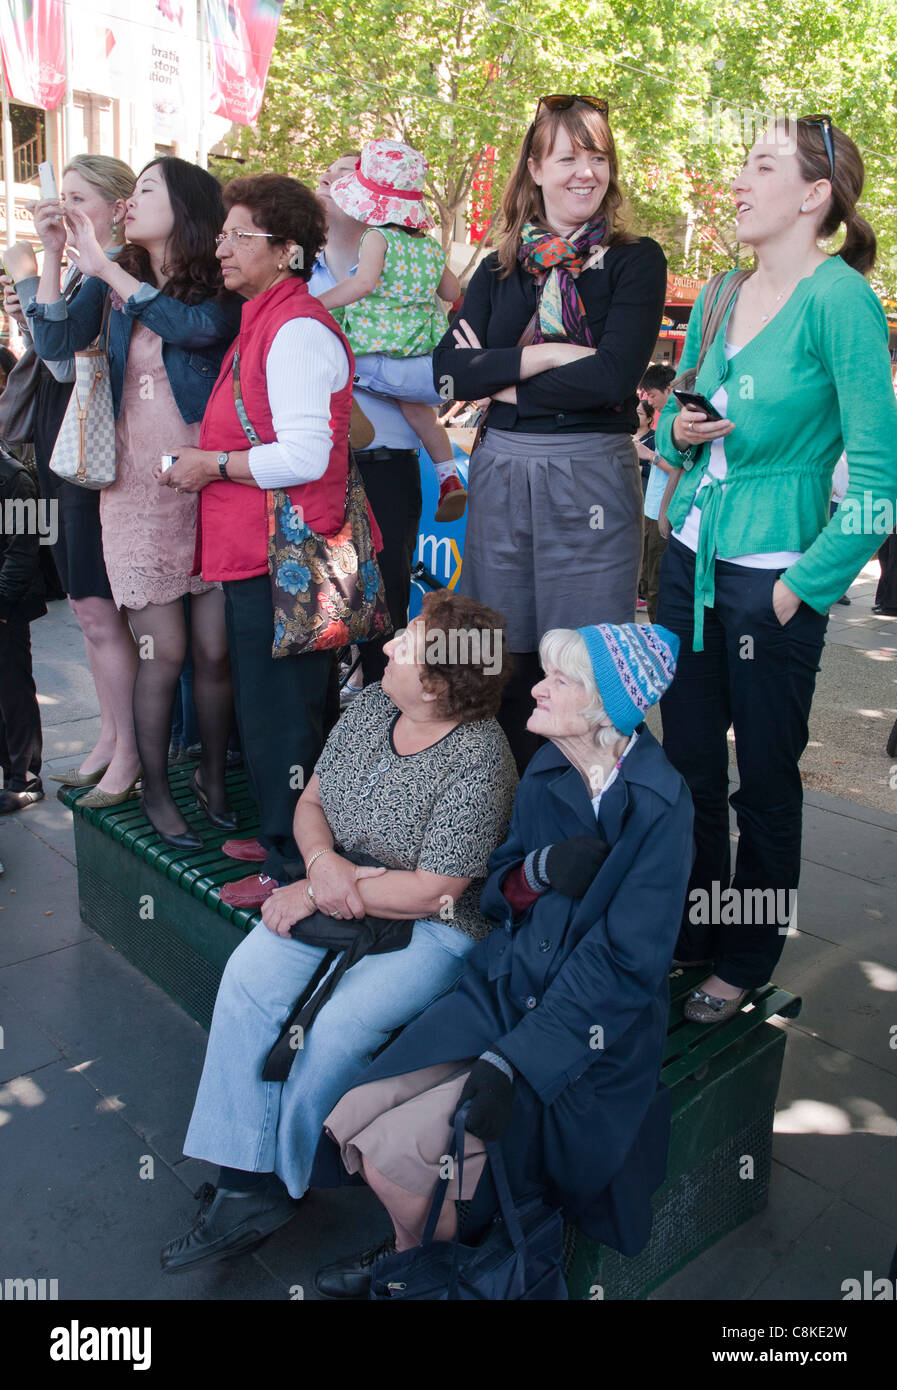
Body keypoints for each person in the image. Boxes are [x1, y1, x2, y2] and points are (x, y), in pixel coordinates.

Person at [311, 621, 692, 1299]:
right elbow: (498, 889)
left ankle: (414, 1269)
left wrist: (519, 1060)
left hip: (585, 1038)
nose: (535, 689)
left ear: (604, 708)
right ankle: (422, 1260)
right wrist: (540, 870)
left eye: (559, 681)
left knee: (394, 1156)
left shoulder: (659, 808)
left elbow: (626, 965)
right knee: (354, 1114)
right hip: (501, 990)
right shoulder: (548, 767)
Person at [159, 591, 518, 1273]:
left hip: (432, 927)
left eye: (406, 645)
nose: (386, 647)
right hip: (335, 886)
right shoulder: (375, 707)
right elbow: (312, 801)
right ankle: (245, 1171)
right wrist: (322, 865)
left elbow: (433, 890)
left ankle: (285, 1178)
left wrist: (327, 884)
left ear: (441, 684)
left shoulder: (480, 760)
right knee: (249, 979)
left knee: (339, 1028)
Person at [653, 116, 897, 1021]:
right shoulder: (722, 290)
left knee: (763, 776)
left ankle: (745, 956)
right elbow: (687, 415)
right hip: (691, 557)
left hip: (772, 580)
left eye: (759, 165)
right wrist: (680, 430)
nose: (737, 181)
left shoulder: (840, 301)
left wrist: (801, 588)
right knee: (684, 765)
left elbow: (879, 482)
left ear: (812, 196)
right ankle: (690, 934)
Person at [433, 95, 667, 772]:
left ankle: (574, 829)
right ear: (535, 167)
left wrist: (498, 378)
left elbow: (611, 380)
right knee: (494, 656)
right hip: (503, 471)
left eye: (597, 157)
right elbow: (447, 377)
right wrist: (541, 358)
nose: (584, 173)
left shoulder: (634, 261)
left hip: (590, 476)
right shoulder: (499, 268)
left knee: (583, 664)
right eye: (568, 157)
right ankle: (494, 825)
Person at [162, 172, 376, 909]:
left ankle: (292, 865)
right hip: (270, 553)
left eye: (236, 236)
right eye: (222, 234)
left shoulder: (295, 330)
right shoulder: (271, 318)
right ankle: (288, 835)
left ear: (286, 251)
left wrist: (210, 465)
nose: (219, 247)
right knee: (279, 710)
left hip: (288, 560)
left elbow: (306, 456)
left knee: (282, 717)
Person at [28, 159, 241, 846]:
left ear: (184, 206)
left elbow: (198, 330)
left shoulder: (216, 275)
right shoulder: (115, 271)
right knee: (166, 650)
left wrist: (111, 273)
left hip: (211, 480)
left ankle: (211, 776)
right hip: (137, 491)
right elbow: (56, 343)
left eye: (147, 190)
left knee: (214, 651)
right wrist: (57, 256)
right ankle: (152, 789)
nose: (131, 204)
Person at [3, 156, 141, 796]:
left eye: (78, 197)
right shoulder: (93, 269)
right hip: (70, 446)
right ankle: (112, 737)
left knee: (98, 607)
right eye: (62, 197)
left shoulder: (119, 272)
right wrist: (47, 266)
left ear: (118, 206)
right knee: (89, 610)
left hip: (94, 449)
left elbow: (58, 360)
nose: (64, 208)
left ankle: (128, 747)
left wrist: (38, 275)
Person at [309, 154, 430, 690]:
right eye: (327, 174)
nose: (330, 182)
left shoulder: (411, 262)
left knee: (388, 600)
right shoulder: (290, 273)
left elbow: (436, 379)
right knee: (320, 607)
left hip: (388, 461)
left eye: (346, 174)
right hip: (315, 464)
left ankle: (387, 720)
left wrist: (366, 368)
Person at [317, 139, 467, 523]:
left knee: (332, 358)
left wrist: (316, 304)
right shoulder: (431, 248)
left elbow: (362, 285)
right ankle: (448, 474)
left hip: (372, 336)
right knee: (420, 412)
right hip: (418, 344)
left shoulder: (376, 238)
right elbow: (451, 293)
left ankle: (353, 417)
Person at [0, 445, 47, 814]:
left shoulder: (16, 477)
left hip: (8, 605)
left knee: (13, 692)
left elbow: (28, 548)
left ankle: (25, 778)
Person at [640, 363, 678, 622]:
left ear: (668, 390)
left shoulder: (676, 420)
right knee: (648, 573)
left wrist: (649, 455)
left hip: (662, 511)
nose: (650, 401)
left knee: (656, 580)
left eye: (652, 395)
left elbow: (678, 467)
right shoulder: (665, 417)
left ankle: (658, 634)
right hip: (651, 508)